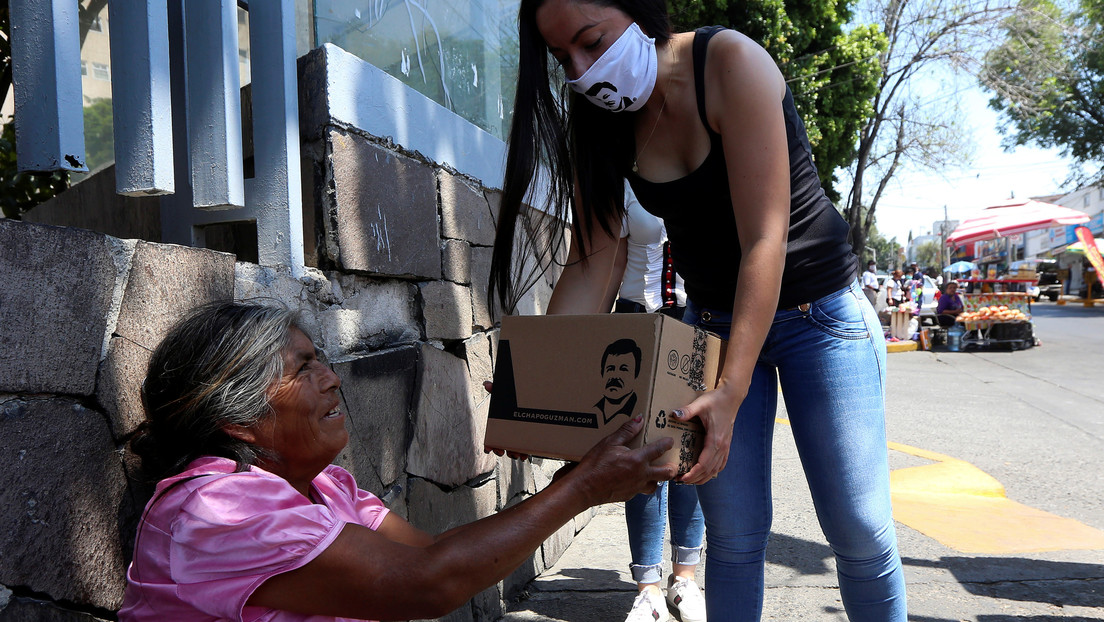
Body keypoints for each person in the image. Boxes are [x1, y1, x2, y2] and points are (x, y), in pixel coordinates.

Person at [487, 1, 907, 619]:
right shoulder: (599, 118)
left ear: (636, 8)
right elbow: (593, 259)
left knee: (860, 529)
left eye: (591, 41)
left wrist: (731, 390)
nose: (581, 71)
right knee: (733, 538)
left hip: (818, 314)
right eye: (562, 58)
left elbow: (765, 240)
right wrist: (538, 385)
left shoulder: (728, 62)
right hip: (712, 325)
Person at [118, 301, 676, 622]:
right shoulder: (215, 510)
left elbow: (431, 554)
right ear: (237, 421)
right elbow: (429, 582)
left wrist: (578, 474)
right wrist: (580, 490)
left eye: (321, 361)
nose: (332, 379)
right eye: (303, 369)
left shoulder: (328, 488)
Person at [602, 183, 706, 622]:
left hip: (695, 319)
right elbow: (610, 265)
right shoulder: (624, 181)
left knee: (690, 450)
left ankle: (685, 579)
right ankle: (647, 587)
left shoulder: (707, 173)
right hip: (635, 321)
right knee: (642, 455)